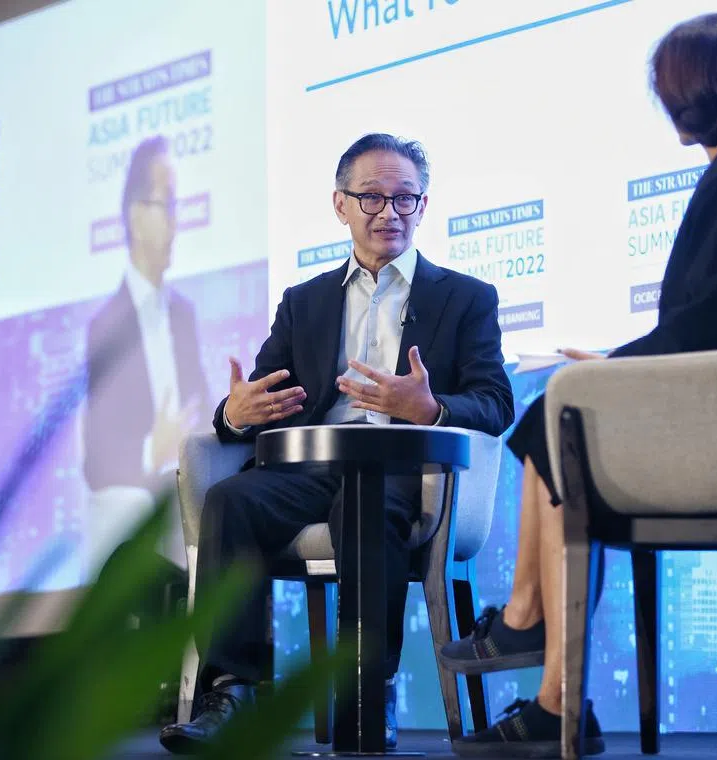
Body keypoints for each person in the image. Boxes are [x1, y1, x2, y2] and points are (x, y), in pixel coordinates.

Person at [439, 13, 717, 757]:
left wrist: (612, 370)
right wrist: (616, 367)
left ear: (688, 95)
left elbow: (704, 333)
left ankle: (537, 645)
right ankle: (548, 676)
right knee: (560, 416)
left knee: (559, 419)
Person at [158, 133, 515, 754]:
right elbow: (262, 401)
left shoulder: (465, 299)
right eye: (371, 198)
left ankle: (365, 694)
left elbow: (495, 402)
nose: (389, 214)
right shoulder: (304, 304)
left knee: (364, 505)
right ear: (340, 205)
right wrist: (232, 415)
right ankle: (231, 693)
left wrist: (428, 408)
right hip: (315, 463)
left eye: (405, 199)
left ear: (423, 207)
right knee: (233, 501)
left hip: (405, 469)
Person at [82, 135, 212, 571]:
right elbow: (96, 457)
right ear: (137, 217)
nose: (177, 223)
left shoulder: (182, 314)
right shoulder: (105, 327)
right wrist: (151, 450)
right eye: (168, 205)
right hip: (139, 497)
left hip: (189, 487)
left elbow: (203, 407)